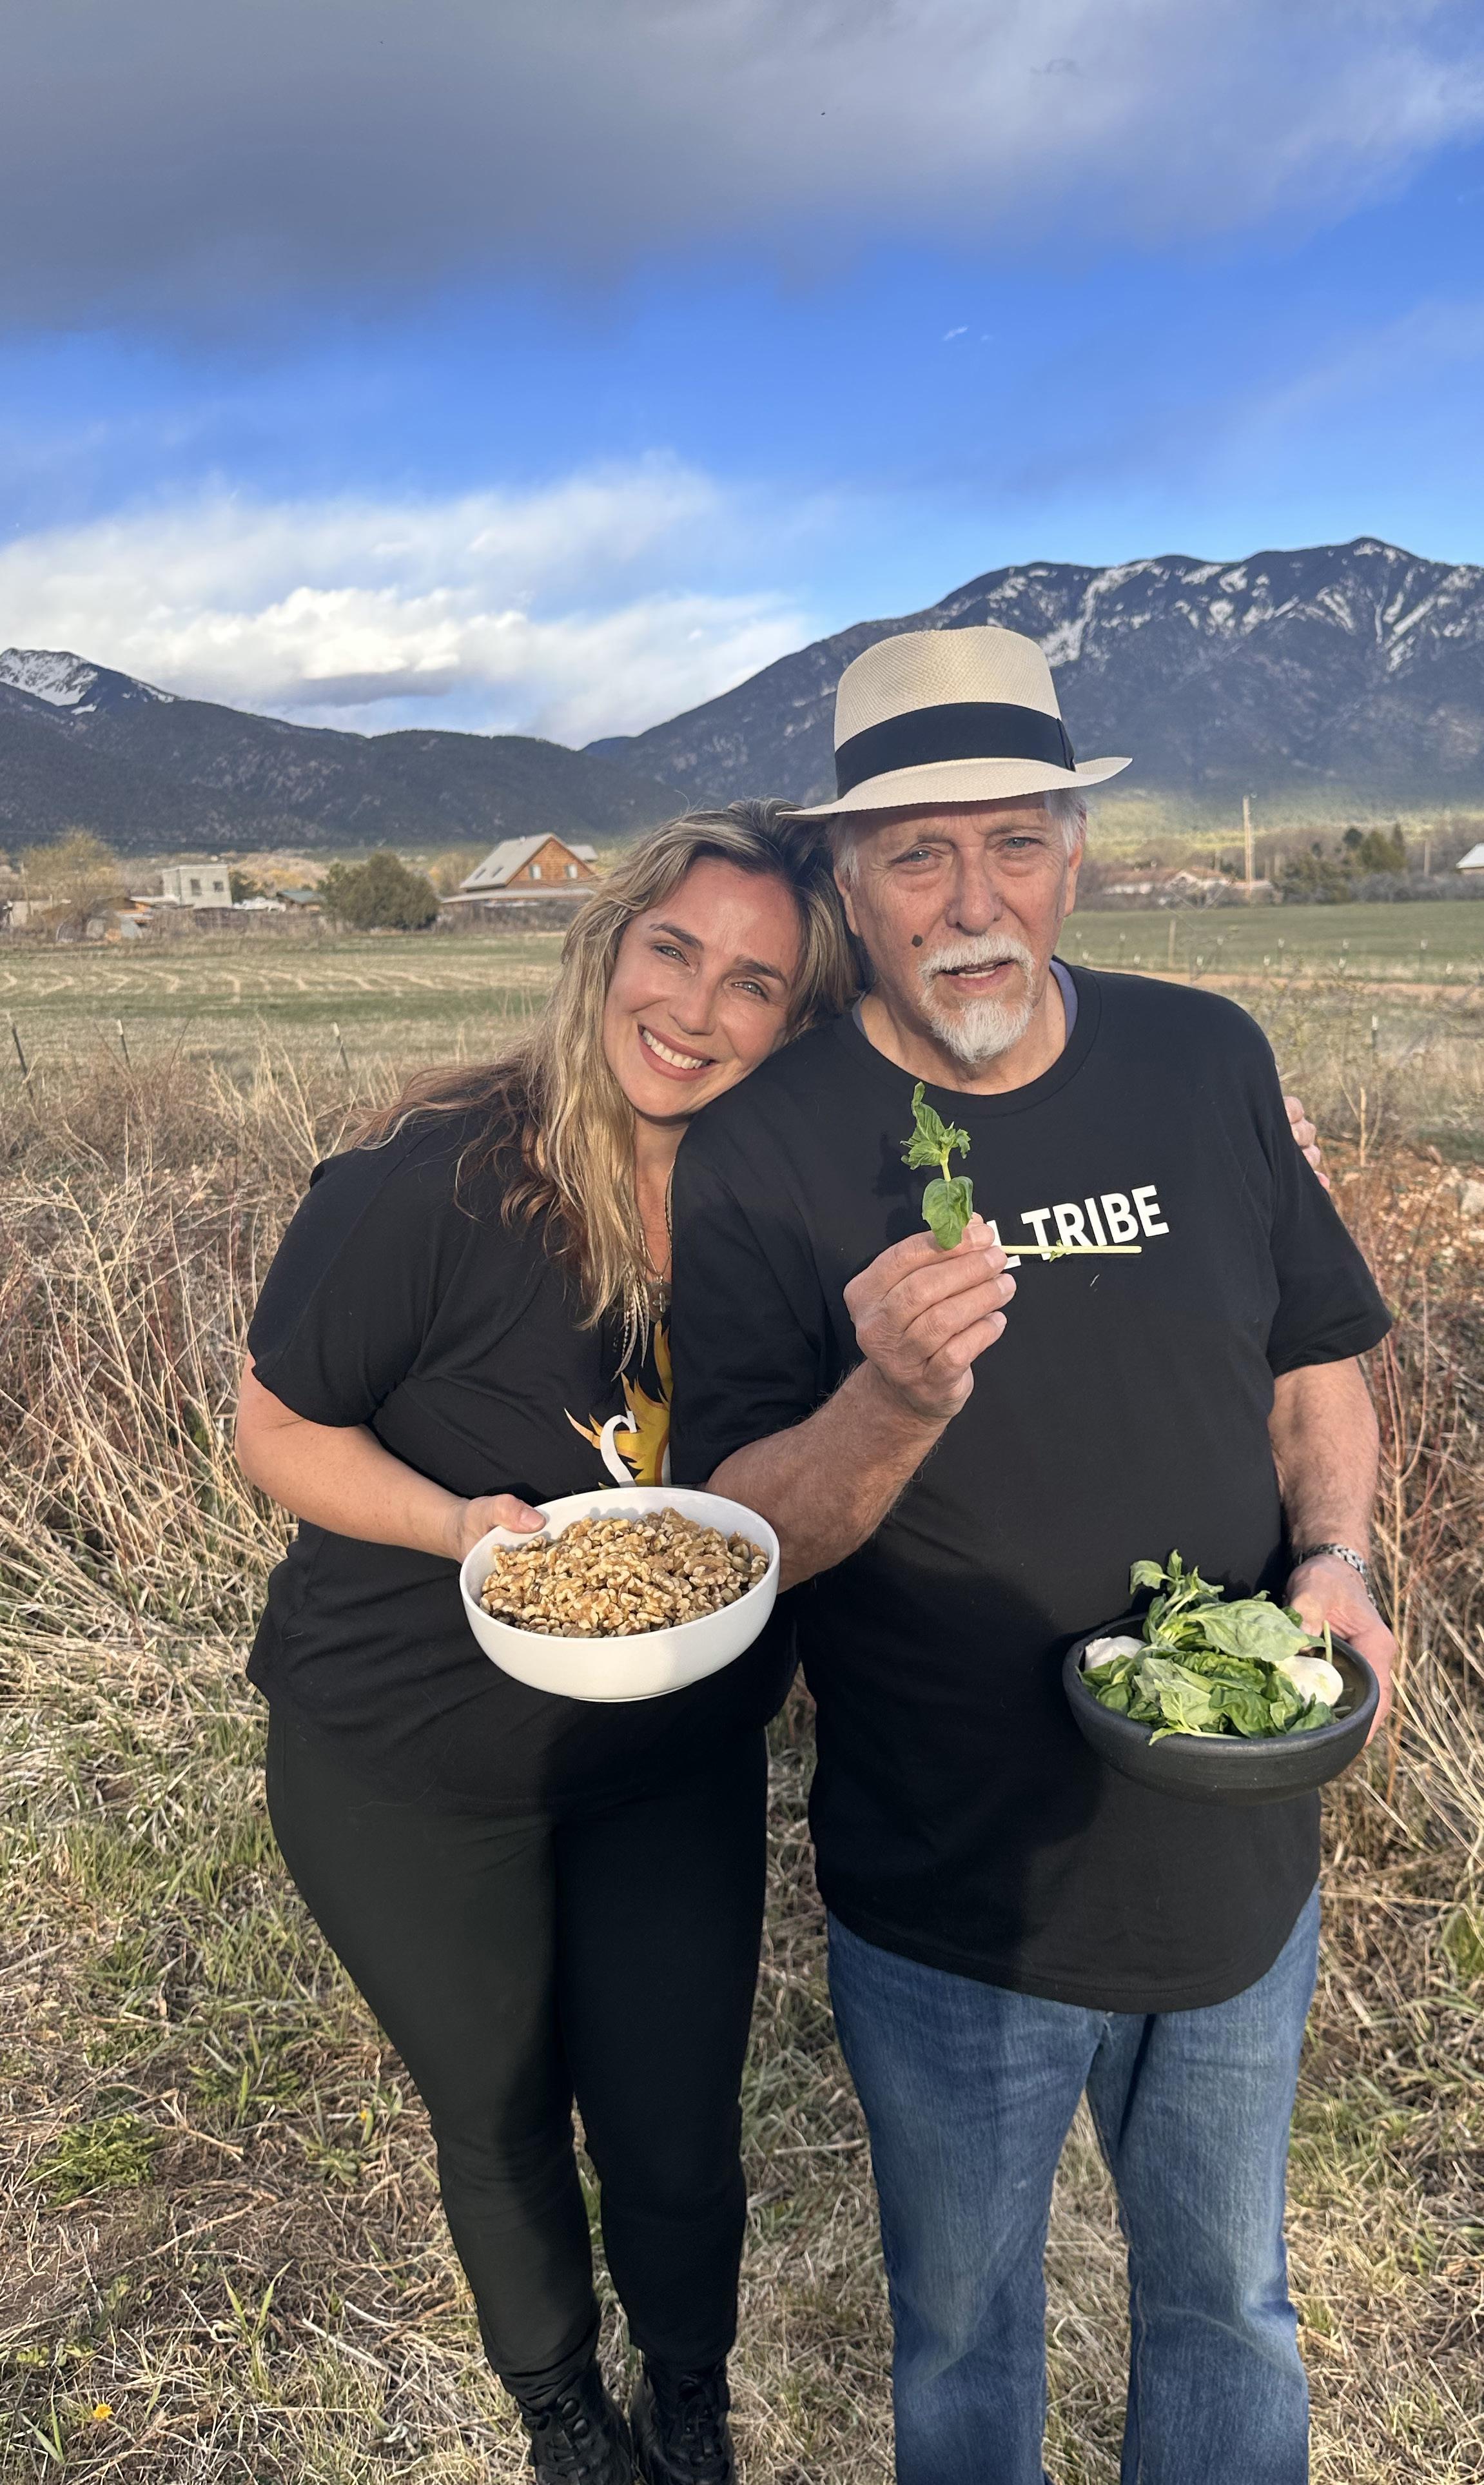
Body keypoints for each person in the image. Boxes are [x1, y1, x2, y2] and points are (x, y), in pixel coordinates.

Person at [667, 624, 1396, 2485]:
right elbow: (743, 1532)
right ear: (849, 887)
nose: (974, 900)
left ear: (1078, 854)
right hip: (951, 1883)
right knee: (964, 2331)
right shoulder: (760, 1151)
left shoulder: (1206, 1058)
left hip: (1228, 1836)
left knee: (1229, 2304)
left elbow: (1315, 1354)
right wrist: (890, 1400)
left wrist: (1336, 1561)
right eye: (918, 852)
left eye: (1016, 841)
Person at [233, 805, 857, 2485]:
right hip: (405, 1757)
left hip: (671, 1755)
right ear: (606, 946)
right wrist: (457, 1527)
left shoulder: (784, 1204)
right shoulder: (437, 1177)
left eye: (755, 985)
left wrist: (1243, 1159)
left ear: (797, 1022)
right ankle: (566, 2422)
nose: (697, 1009)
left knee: (674, 2121)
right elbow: (274, 1427)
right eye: (674, 950)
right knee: (501, 2112)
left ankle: (688, 2403)